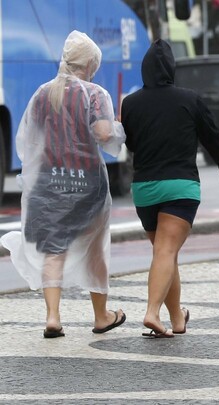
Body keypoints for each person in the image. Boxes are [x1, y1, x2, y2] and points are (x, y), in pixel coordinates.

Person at [0, 31, 127, 338]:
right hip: (87, 185)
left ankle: (53, 317)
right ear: (89, 65)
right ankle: (101, 316)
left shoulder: (42, 94)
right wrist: (118, 128)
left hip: (48, 185)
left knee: (52, 251)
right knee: (96, 250)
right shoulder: (95, 94)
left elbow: (26, 140)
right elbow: (104, 135)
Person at [121, 39, 219, 338]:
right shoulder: (190, 99)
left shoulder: (130, 103)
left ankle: (177, 318)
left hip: (144, 188)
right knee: (165, 251)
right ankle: (152, 311)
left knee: (166, 253)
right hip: (180, 186)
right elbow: (212, 138)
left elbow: (131, 143)